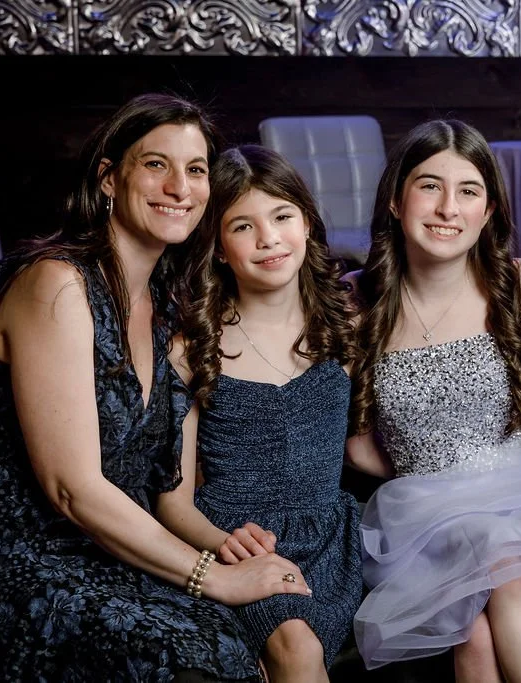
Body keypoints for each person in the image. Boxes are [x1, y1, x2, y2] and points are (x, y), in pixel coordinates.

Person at [0, 94, 313, 681]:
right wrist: (212, 575)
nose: (179, 187)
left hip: (112, 557)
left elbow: (165, 490)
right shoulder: (58, 284)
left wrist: (226, 550)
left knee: (244, 647)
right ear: (110, 178)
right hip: (26, 563)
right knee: (187, 662)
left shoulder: (169, 306)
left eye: (195, 170)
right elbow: (72, 489)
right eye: (155, 165)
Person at [345, 118, 521, 683]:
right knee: (480, 601)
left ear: (488, 210)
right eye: (429, 186)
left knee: (479, 628)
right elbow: (358, 446)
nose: (448, 207)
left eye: (468, 191)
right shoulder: (355, 304)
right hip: (421, 512)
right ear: (396, 200)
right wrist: (422, 474)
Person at [155, 144, 363, 682]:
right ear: (219, 248)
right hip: (234, 540)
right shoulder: (192, 348)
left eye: (282, 216)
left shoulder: (347, 330)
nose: (268, 238)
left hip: (330, 539)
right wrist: (222, 545)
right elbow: (172, 503)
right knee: (296, 646)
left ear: (308, 225)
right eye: (243, 226)